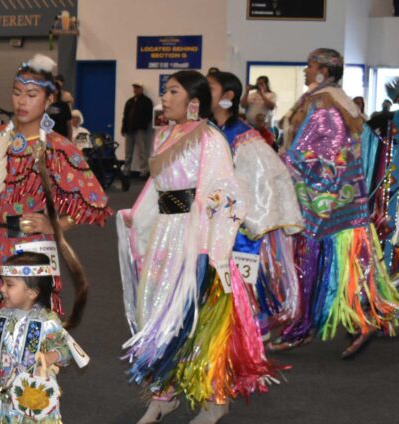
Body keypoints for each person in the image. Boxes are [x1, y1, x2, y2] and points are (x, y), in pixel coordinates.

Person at [0, 54, 110, 392]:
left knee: (26, 333)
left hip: (29, 252)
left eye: (32, 95)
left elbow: (95, 202)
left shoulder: (56, 148)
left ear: (48, 100)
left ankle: (21, 395)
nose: (22, 101)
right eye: (17, 93)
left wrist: (54, 225)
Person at [118, 71, 280, 424]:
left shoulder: (210, 139)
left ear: (193, 102)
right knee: (157, 314)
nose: (165, 97)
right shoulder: (165, 135)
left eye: (173, 91)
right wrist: (138, 218)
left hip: (197, 242)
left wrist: (207, 237)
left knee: (198, 321)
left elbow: (228, 193)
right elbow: (156, 188)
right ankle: (163, 394)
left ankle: (213, 399)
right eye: (165, 91)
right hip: (165, 237)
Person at [271, 48, 399, 357]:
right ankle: (358, 321)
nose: (306, 70)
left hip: (323, 202)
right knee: (343, 266)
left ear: (323, 71)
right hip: (340, 201)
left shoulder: (325, 104)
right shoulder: (332, 99)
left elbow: (327, 153)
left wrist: (284, 161)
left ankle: (309, 327)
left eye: (310, 65)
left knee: (316, 264)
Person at [209, 71, 304, 339]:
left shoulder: (243, 136)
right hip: (209, 220)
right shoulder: (205, 130)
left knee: (240, 274)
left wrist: (249, 214)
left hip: (239, 224)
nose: (202, 92)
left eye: (209, 88)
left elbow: (267, 177)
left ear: (227, 96)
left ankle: (251, 322)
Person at [0, 252, 88, 424]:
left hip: (37, 397)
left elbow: (65, 349)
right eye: (3, 283)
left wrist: (51, 356)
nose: (2, 289)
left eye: (9, 285)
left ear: (32, 292)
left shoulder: (47, 322)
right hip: (5, 398)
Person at [122, 82, 153, 177]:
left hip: (140, 130)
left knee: (142, 152)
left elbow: (149, 116)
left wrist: (142, 125)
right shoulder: (130, 101)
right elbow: (125, 116)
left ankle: (143, 171)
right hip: (129, 130)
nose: (135, 90)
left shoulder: (147, 101)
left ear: (141, 89)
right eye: (134, 88)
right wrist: (123, 128)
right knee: (128, 152)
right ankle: (126, 170)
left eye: (137, 88)